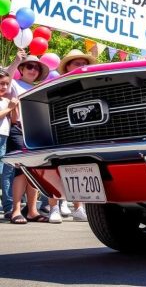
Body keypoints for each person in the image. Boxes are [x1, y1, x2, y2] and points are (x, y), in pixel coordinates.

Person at [44, 49, 97, 223]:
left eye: (84, 63)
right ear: (67, 67)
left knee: (81, 169)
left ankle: (79, 208)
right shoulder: (57, 84)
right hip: (61, 132)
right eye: (77, 63)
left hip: (83, 133)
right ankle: (53, 208)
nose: (82, 66)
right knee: (56, 169)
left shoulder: (91, 84)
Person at [7, 54, 51, 223]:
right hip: (18, 130)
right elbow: (7, 77)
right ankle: (16, 210)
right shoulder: (14, 84)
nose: (33, 70)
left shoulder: (38, 88)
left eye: (37, 67)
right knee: (21, 170)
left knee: (34, 171)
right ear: (22, 70)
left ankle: (32, 211)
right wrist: (16, 60)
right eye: (29, 66)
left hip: (36, 133)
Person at [0, 69, 19, 217]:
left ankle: (8, 206)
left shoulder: (6, 101)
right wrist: (9, 108)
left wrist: (15, 107)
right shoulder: (5, 104)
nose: (4, 87)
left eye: (6, 84)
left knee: (6, 172)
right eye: (1, 84)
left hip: (4, 138)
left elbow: (13, 120)